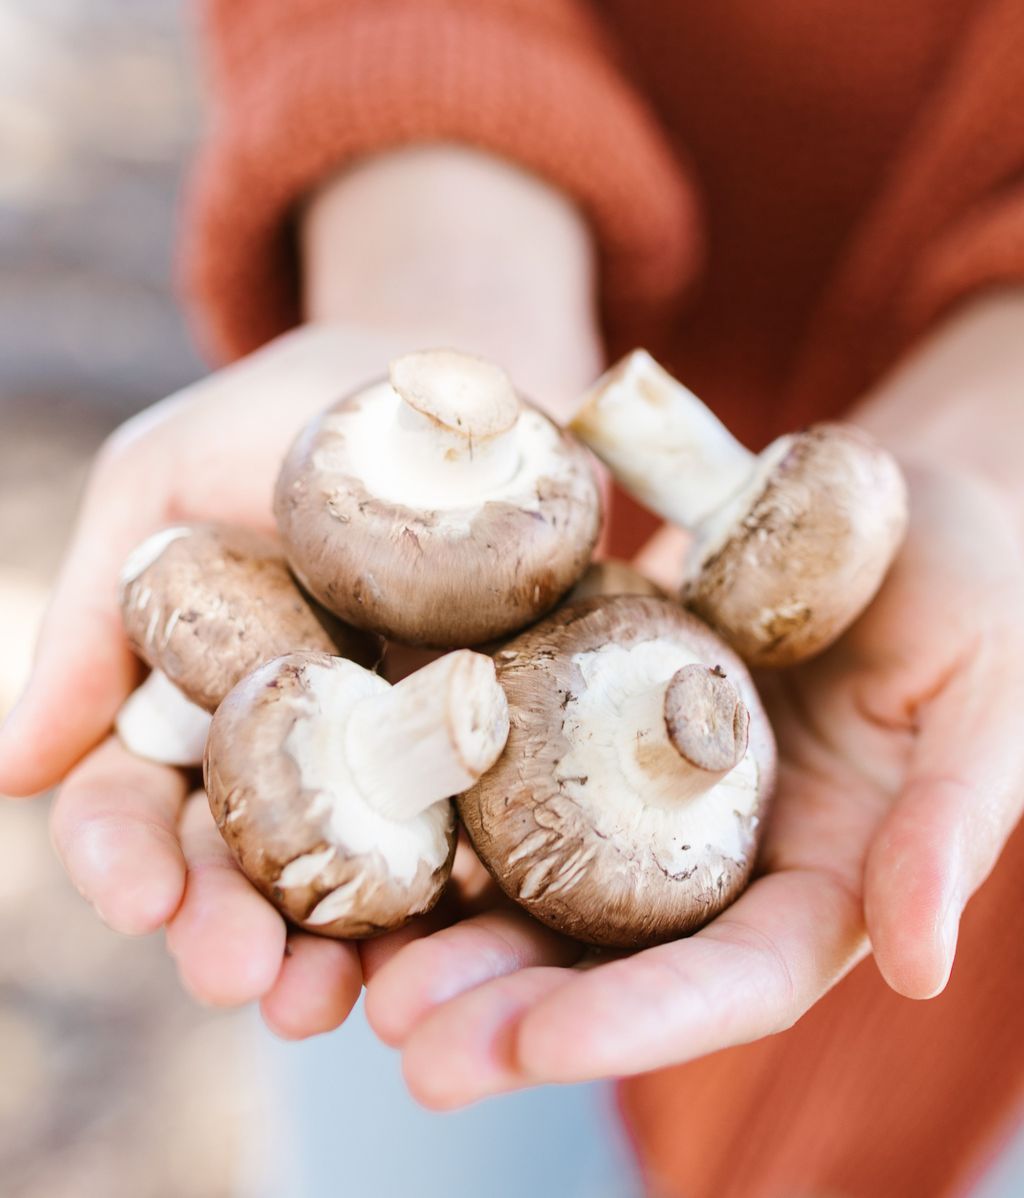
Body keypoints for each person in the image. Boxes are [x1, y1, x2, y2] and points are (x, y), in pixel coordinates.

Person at [2, 2, 1024, 1195]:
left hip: (929, 682)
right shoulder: (398, 788)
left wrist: (996, 443)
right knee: (433, 1109)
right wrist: (437, 244)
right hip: (419, 856)